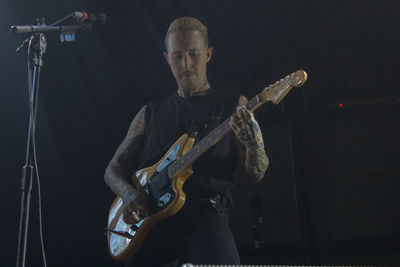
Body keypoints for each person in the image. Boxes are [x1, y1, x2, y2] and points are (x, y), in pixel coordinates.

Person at [104, 17, 269, 266]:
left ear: (208, 54)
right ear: (166, 58)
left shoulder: (233, 106)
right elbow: (112, 170)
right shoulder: (149, 113)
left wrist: (254, 143)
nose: (186, 63)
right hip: (150, 221)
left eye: (194, 54)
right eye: (178, 55)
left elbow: (255, 174)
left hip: (204, 214)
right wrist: (128, 194)